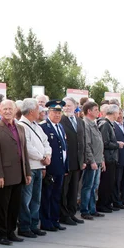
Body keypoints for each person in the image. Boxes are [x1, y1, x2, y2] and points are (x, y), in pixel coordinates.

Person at [0, 100, 31, 245]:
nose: (7, 111)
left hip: (19, 174)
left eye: (10, 109)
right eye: (4, 109)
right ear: (0, 110)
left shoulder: (20, 128)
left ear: (15, 110)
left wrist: (28, 172)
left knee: (14, 206)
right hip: (4, 175)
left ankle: (11, 232)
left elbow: (24, 151)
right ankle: (0, 235)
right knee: (2, 207)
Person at [18, 99, 51, 237]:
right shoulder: (21, 126)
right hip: (30, 167)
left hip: (39, 166)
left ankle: (33, 224)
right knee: (26, 198)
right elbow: (27, 147)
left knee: (36, 198)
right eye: (38, 109)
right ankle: (24, 227)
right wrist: (42, 157)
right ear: (31, 111)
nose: (40, 112)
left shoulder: (37, 126)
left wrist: (47, 155)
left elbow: (46, 141)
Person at [40, 100, 70, 229]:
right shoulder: (44, 127)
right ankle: (46, 222)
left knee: (57, 195)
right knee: (47, 196)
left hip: (60, 167)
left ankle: (54, 219)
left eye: (59, 112)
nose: (57, 115)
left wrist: (66, 166)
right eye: (54, 112)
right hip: (50, 167)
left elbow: (64, 148)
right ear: (48, 112)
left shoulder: (60, 126)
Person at [59, 97, 86, 225]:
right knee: (64, 190)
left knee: (74, 190)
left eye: (69, 105)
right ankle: (64, 215)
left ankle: (71, 213)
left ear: (75, 106)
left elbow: (83, 141)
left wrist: (84, 159)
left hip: (77, 162)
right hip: (66, 162)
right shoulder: (61, 120)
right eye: (64, 106)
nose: (66, 108)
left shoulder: (80, 121)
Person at [80, 101, 104, 219]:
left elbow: (99, 143)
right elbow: (87, 144)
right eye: (95, 110)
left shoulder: (94, 123)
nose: (98, 112)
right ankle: (85, 210)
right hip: (92, 162)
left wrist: (101, 159)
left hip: (98, 160)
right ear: (88, 111)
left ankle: (92, 209)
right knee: (88, 186)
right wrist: (92, 160)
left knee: (94, 186)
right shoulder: (86, 124)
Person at [96, 104, 122, 212]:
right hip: (107, 158)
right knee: (105, 183)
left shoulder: (110, 124)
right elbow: (104, 143)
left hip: (112, 158)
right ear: (114, 113)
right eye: (118, 113)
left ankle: (107, 203)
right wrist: (117, 145)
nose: (119, 115)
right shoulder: (105, 124)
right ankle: (102, 204)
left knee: (110, 182)